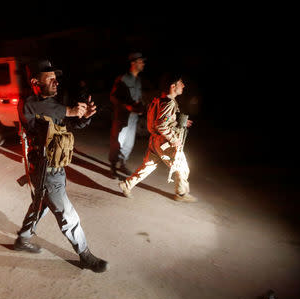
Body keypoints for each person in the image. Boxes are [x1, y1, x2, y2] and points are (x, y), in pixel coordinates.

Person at [13, 59, 108, 273]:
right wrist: (71, 111)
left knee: (40, 205)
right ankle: (85, 255)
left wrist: (84, 117)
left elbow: (69, 122)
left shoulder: (56, 107)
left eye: (57, 79)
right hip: (45, 169)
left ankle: (23, 239)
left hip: (56, 167)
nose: (56, 82)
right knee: (68, 215)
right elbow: (49, 110)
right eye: (50, 78)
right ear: (35, 81)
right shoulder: (28, 103)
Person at [118, 74, 197, 202]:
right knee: (182, 167)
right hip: (165, 143)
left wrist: (177, 121)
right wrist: (174, 139)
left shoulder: (159, 99)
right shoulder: (169, 103)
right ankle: (181, 194)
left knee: (148, 166)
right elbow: (160, 124)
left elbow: (160, 119)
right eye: (180, 83)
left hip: (156, 140)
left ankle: (127, 184)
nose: (183, 85)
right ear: (173, 86)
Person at [108, 52, 146, 179]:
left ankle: (122, 163)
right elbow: (113, 97)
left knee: (129, 143)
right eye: (141, 61)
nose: (143, 64)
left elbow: (138, 98)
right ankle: (113, 166)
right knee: (117, 142)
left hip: (133, 118)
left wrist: (140, 107)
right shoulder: (122, 79)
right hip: (122, 117)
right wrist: (126, 106)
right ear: (133, 63)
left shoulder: (139, 80)